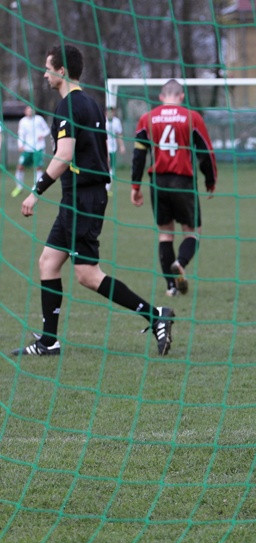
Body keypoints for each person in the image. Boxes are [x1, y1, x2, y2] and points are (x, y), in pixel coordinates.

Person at [12, 44, 174, 357]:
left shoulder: (68, 106)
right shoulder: (91, 103)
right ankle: (49, 341)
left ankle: (156, 316)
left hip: (84, 198)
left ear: (61, 71)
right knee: (48, 262)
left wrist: (36, 191)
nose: (45, 74)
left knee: (87, 274)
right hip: (81, 196)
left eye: (48, 68)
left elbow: (64, 155)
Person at [130, 79, 217, 297]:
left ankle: (171, 287)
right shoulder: (191, 117)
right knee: (193, 232)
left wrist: (135, 185)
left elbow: (139, 155)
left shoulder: (147, 119)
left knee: (165, 234)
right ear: (181, 97)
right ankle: (180, 262)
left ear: (161, 97)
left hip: (157, 182)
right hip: (183, 181)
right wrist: (210, 179)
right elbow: (205, 152)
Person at [13, 105, 50, 197]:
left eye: (31, 110)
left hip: (38, 147)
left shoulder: (39, 119)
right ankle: (19, 187)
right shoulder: (23, 121)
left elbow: (47, 130)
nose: (30, 112)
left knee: (38, 167)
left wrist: (42, 134)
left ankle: (36, 187)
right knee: (20, 166)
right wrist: (20, 145)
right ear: (25, 111)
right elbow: (21, 134)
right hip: (27, 148)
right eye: (28, 110)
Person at [105, 106, 125, 192]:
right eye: (109, 111)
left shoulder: (116, 121)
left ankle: (107, 188)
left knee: (111, 168)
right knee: (105, 166)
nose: (110, 113)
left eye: (112, 111)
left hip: (113, 148)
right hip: (104, 147)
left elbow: (119, 134)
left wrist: (122, 146)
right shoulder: (103, 121)